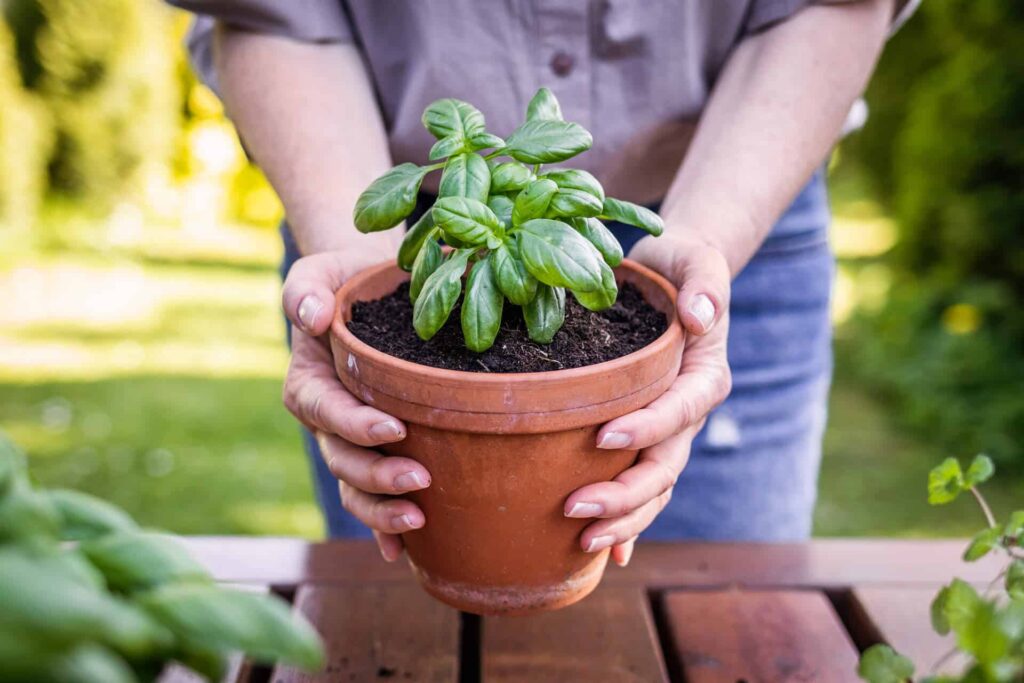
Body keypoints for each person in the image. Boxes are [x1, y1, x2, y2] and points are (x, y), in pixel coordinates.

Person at [170, 0, 916, 566]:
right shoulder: (417, 232)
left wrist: (708, 237)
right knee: (405, 635)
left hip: (736, 202)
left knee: (729, 623)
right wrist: (362, 267)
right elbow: (276, 12)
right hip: (384, 218)